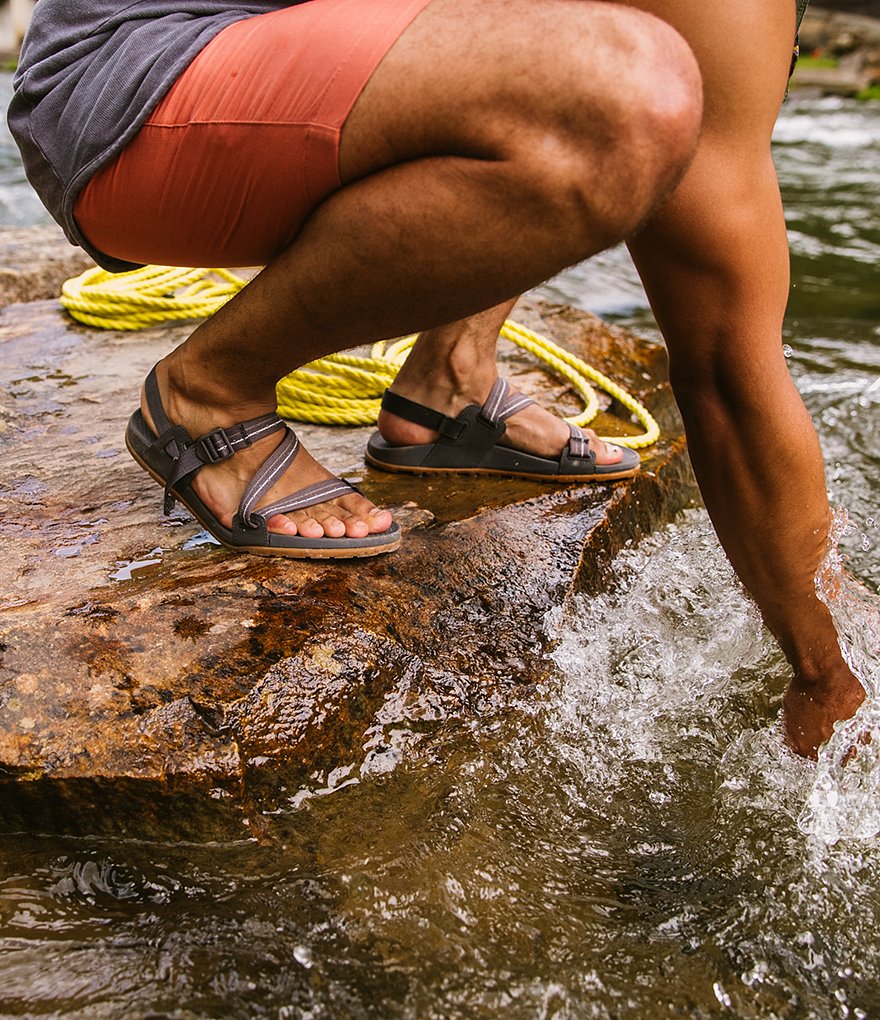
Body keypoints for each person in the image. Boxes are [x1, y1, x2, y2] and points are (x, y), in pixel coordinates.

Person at [8, 0, 866, 758]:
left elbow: (729, 354)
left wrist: (832, 661)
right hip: (136, 82)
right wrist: (827, 671)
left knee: (610, 81)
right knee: (619, 99)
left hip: (294, 69)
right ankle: (208, 391)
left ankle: (453, 378)